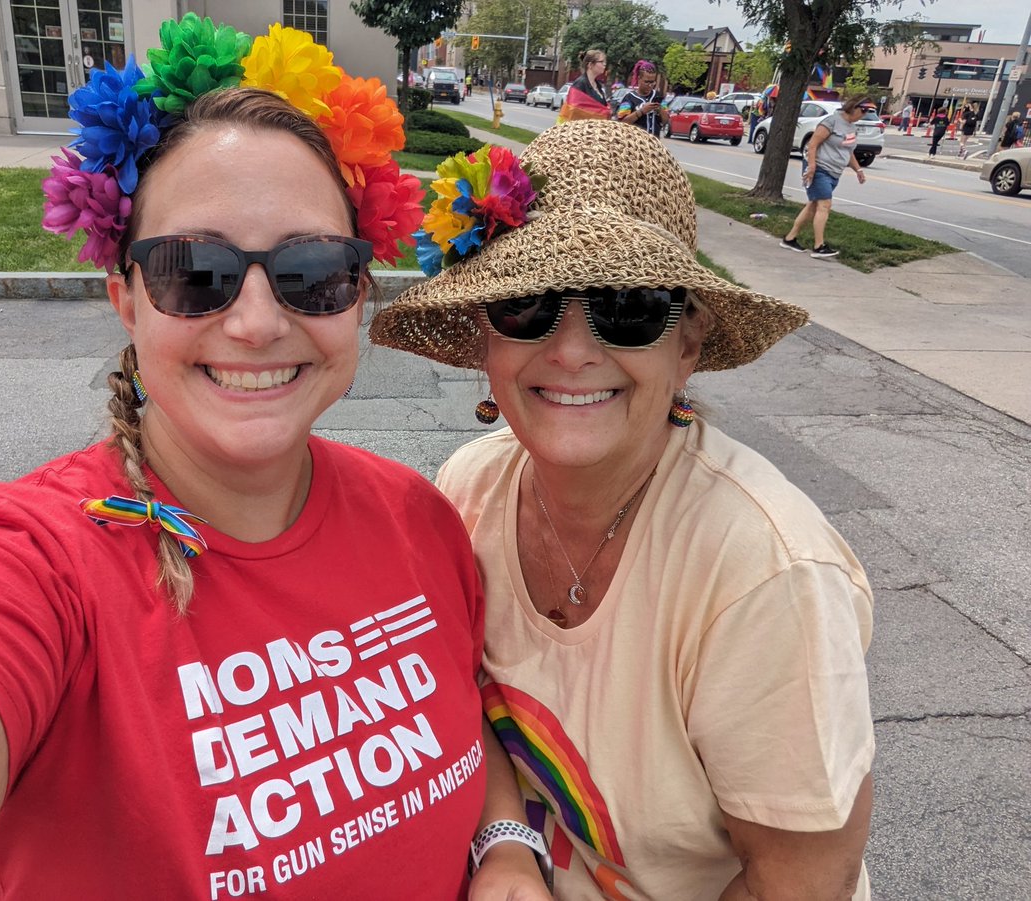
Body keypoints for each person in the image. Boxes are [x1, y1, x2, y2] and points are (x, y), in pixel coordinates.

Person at [0, 16, 551, 901]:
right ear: (124, 299)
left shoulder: (421, 519)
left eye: (312, 271)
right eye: (195, 272)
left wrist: (509, 847)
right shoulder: (29, 564)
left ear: (358, 294)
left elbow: (463, 712)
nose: (255, 321)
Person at [371, 119, 874, 900]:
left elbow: (804, 881)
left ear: (689, 344)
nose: (572, 350)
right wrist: (506, 845)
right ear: (484, 339)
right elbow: (457, 695)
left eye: (628, 306)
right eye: (529, 305)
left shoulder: (764, 571)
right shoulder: (467, 489)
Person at [779, 94, 873, 259]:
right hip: (819, 169)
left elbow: (848, 151)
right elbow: (813, 144)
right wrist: (812, 166)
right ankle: (819, 246)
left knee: (813, 206)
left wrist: (858, 170)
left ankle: (789, 238)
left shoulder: (851, 127)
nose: (864, 116)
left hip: (834, 172)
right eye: (864, 111)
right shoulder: (831, 122)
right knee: (825, 205)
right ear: (855, 108)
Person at [615, 59, 670, 137]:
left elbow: (666, 120)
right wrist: (642, 111)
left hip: (654, 143)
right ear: (639, 79)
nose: (650, 85)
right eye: (647, 82)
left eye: (652, 82)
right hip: (635, 143)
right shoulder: (629, 98)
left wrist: (659, 109)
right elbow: (622, 122)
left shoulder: (658, 96)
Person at [557, 48, 610, 122]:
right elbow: (573, 109)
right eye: (601, 62)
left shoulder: (598, 86)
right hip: (581, 129)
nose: (604, 64)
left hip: (595, 128)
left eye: (605, 62)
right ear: (590, 65)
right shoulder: (580, 83)